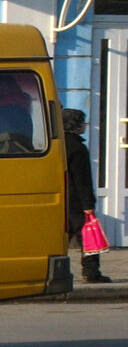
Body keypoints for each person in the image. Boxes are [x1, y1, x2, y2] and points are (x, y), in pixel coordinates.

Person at [63, 108, 111, 283]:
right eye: (82, 122)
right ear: (75, 126)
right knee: (88, 237)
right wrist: (88, 205)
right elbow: (82, 180)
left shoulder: (57, 145)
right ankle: (91, 272)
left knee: (60, 238)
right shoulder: (78, 148)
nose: (85, 125)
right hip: (76, 202)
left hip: (61, 199)